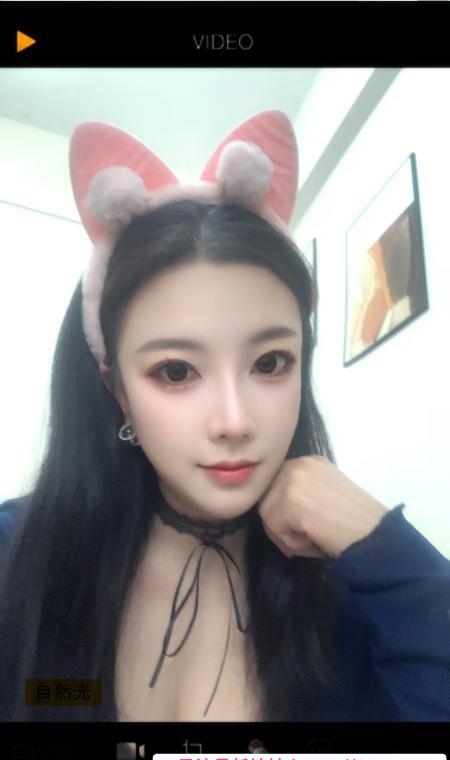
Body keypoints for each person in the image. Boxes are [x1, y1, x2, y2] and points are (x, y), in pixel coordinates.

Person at [0, 111, 449, 724]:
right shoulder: (21, 552)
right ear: (117, 390)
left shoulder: (344, 593)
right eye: (176, 372)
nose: (234, 422)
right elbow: (40, 693)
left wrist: (383, 544)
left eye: (269, 362)